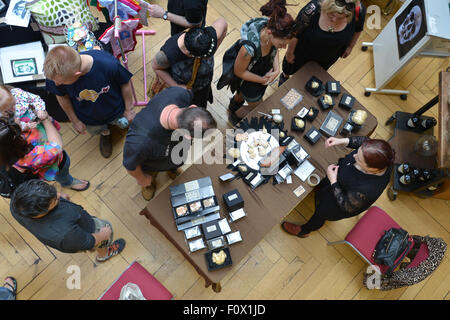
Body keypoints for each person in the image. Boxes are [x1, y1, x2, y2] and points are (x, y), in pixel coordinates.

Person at [281, 136, 395, 237]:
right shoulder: (379, 153)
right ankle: (322, 189)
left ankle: (305, 230)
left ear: (373, 169)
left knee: (321, 213)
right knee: (324, 186)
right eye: (358, 152)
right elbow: (364, 141)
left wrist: (333, 181)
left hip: (339, 202)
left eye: (359, 159)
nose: (354, 155)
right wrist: (341, 141)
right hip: (337, 179)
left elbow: (346, 206)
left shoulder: (367, 190)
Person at [123, 86, 217, 201]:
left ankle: (172, 168)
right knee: (150, 174)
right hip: (152, 161)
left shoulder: (182, 94)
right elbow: (130, 166)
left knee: (178, 160)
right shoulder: (140, 143)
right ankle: (148, 184)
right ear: (187, 135)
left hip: (175, 150)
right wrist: (142, 179)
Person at [44, 46, 135, 159]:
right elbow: (61, 96)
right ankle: (105, 134)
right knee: (98, 129)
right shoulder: (56, 76)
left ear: (77, 74)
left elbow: (125, 83)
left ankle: (124, 127)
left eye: (61, 82)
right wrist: (75, 120)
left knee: (123, 122)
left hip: (115, 109)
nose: (56, 84)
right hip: (88, 117)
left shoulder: (108, 64)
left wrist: (129, 109)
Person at [10, 179, 126, 262]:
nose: (60, 195)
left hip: (77, 231)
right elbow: (90, 240)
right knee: (103, 233)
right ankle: (104, 254)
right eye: (55, 200)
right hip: (87, 233)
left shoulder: (16, 204)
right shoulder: (65, 234)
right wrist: (102, 235)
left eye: (54, 191)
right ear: (40, 213)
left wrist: (55, 199)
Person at [227, 0, 296, 124]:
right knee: (258, 107)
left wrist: (276, 69)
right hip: (249, 81)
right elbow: (239, 72)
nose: (283, 48)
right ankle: (235, 117)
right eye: (282, 44)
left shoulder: (271, 29)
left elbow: (274, 49)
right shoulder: (248, 49)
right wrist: (263, 80)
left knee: (241, 94)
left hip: (259, 73)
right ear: (270, 33)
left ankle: (234, 105)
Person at [278, 0, 366, 86]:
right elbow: (295, 32)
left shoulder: (358, 12)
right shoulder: (313, 9)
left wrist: (350, 46)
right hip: (303, 51)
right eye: (331, 14)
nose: (334, 19)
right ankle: (284, 77)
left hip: (329, 56)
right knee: (290, 67)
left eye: (341, 17)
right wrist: (289, 53)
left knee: (312, 76)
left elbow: (358, 29)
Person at [151, 17, 227, 109]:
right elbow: (156, 67)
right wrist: (177, 86)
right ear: (189, 53)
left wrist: (214, 49)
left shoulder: (209, 37)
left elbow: (222, 22)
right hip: (180, 87)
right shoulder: (169, 53)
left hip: (201, 84)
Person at [0, 114, 89, 191]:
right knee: (62, 174)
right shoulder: (28, 157)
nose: (17, 118)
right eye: (12, 122)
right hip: (55, 166)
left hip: (42, 160)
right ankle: (68, 183)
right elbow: (57, 147)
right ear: (14, 139)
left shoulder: (6, 149)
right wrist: (45, 120)